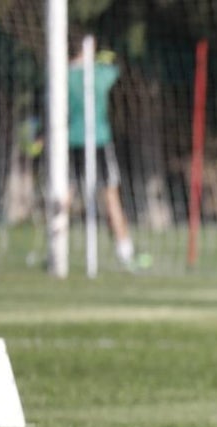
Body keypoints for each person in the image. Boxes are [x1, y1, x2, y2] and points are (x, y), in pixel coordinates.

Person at [68, 38, 135, 269]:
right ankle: (126, 255)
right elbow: (116, 67)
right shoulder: (98, 75)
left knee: (66, 197)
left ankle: (56, 251)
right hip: (98, 141)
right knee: (111, 199)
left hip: (70, 142)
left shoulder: (62, 76)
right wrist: (104, 58)